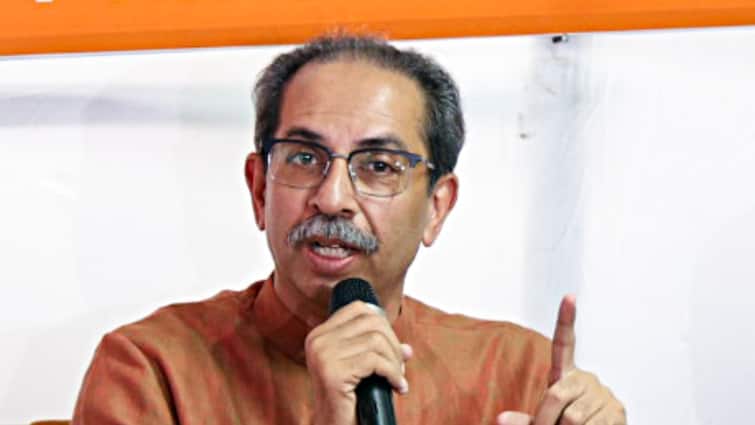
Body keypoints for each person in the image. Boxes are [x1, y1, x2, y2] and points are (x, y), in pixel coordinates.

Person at [72, 34, 626, 425]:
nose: (333, 198)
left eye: (379, 166)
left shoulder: (518, 373)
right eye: (304, 158)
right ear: (259, 189)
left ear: (437, 207)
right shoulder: (152, 371)